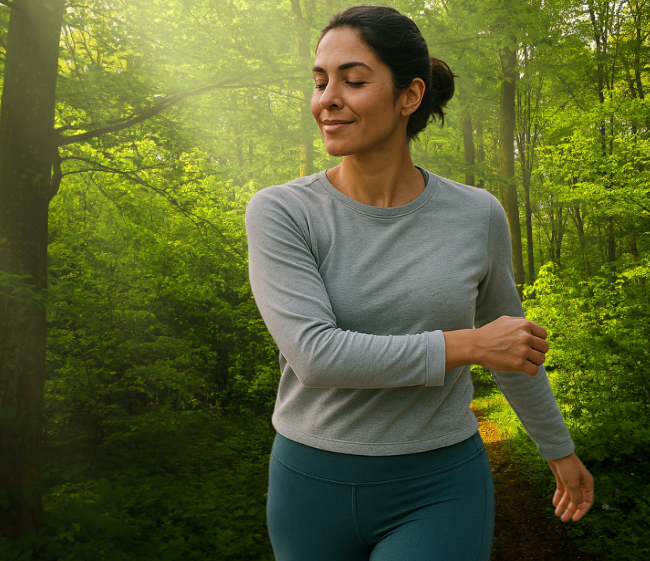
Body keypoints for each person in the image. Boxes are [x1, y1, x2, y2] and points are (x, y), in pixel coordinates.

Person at [244, 6, 593, 560]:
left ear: (409, 96)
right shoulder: (283, 212)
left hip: (439, 485)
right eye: (319, 82)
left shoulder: (476, 214)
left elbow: (514, 344)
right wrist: (471, 345)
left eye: (353, 80)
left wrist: (558, 449)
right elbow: (316, 355)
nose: (326, 98)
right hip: (310, 487)